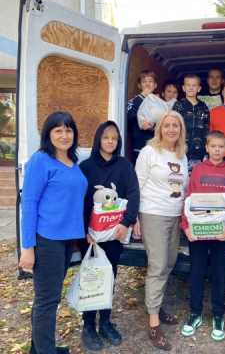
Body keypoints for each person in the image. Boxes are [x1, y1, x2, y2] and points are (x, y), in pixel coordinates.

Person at [19, 111, 88, 354]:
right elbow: (29, 204)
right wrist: (27, 248)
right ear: (48, 134)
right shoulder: (41, 160)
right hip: (47, 240)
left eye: (68, 130)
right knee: (47, 302)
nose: (64, 135)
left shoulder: (73, 161)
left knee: (49, 299)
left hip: (67, 241)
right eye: (58, 130)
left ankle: (39, 349)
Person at [79, 121, 140, 351]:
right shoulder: (86, 167)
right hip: (91, 238)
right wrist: (85, 231)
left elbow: (134, 194)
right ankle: (88, 326)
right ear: (98, 140)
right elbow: (80, 201)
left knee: (110, 278)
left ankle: (105, 321)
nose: (110, 141)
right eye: (106, 137)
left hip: (114, 235)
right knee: (91, 278)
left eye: (114, 138)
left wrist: (127, 223)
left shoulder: (124, 166)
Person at [135, 111, 188, 351]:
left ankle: (155, 305)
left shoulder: (181, 154)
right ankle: (154, 322)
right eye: (167, 125)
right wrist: (135, 217)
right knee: (157, 266)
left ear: (181, 129)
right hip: (153, 213)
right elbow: (137, 185)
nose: (171, 129)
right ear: (160, 129)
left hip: (174, 214)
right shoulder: (149, 152)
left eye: (175, 125)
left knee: (169, 263)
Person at [180, 130, 225, 342]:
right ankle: (195, 313)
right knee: (196, 272)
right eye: (213, 146)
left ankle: (218, 315)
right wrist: (186, 227)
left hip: (220, 234)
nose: (217, 150)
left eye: (221, 147)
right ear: (206, 147)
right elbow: (188, 200)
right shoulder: (197, 170)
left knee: (219, 274)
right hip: (197, 234)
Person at [173, 74, 210, 170]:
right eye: (188, 85)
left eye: (194, 85)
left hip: (199, 149)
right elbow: (174, 126)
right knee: (179, 175)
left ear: (199, 88)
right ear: (183, 88)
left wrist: (206, 150)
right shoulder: (178, 105)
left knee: (196, 175)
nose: (191, 88)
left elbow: (206, 128)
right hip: (181, 148)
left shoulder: (203, 106)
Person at [127, 70, 158, 164]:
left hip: (155, 145)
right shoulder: (134, 100)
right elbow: (128, 115)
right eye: (144, 82)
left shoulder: (159, 102)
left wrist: (153, 126)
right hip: (139, 144)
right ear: (139, 85)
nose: (147, 84)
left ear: (155, 85)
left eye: (150, 81)